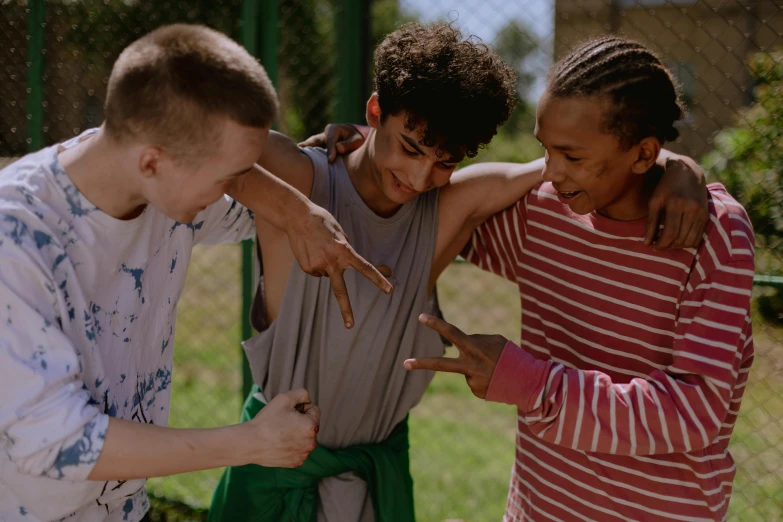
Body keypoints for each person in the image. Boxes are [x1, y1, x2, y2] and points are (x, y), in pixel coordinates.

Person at [210, 24, 709, 522]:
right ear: (375, 111)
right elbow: (197, 138)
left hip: (374, 485)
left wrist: (677, 162)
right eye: (409, 148)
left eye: (445, 162)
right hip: (270, 474)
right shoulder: (299, 177)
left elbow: (597, 158)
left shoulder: (446, 210)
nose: (421, 178)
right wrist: (298, 214)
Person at [0, 24, 392, 522]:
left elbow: (267, 201)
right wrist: (249, 442)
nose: (238, 189)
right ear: (152, 162)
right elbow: (56, 441)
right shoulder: (14, 237)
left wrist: (334, 175)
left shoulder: (159, 187)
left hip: (123, 510)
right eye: (227, 178)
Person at [403, 36, 756, 521]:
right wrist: (358, 150)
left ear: (642, 153)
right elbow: (435, 208)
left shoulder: (715, 233)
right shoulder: (543, 211)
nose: (550, 173)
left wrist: (530, 384)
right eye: (545, 150)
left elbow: (692, 413)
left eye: (572, 156)